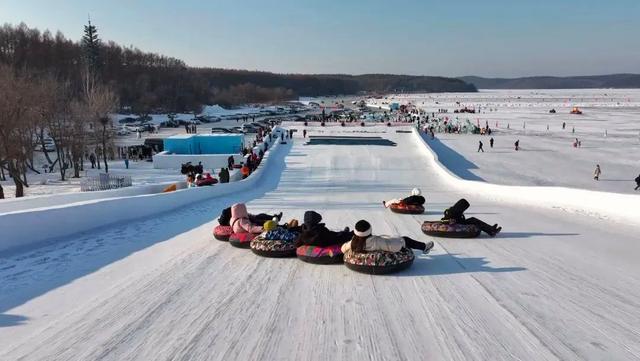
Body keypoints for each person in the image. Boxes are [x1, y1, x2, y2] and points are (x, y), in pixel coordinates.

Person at [341, 220, 434, 254]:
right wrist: (401, 241)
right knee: (406, 239)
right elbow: (392, 247)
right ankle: (424, 247)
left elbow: (343, 248)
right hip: (384, 249)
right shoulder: (376, 241)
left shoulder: (353, 242)